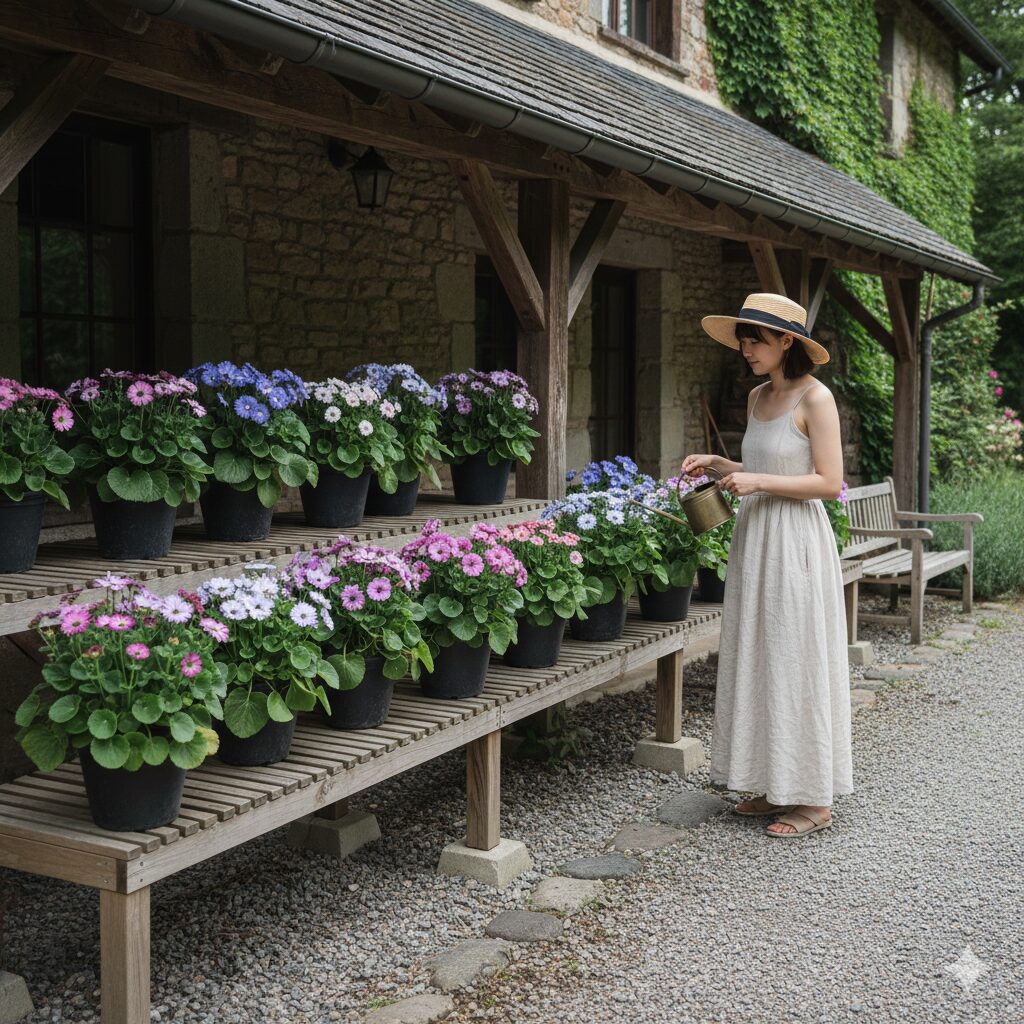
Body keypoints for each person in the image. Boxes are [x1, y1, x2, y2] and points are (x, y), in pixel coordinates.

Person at [681, 292, 854, 838]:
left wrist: (755, 481)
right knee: (759, 653)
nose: (745, 349)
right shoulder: (758, 397)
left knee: (795, 656)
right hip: (757, 541)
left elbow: (827, 483)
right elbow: (767, 464)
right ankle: (768, 781)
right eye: (742, 339)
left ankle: (812, 799)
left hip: (796, 543)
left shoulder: (816, 398)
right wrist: (723, 463)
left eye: (754, 339)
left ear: (787, 342)